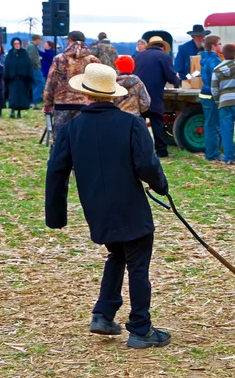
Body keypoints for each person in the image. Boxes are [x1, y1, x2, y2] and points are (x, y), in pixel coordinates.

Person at [45, 63, 171, 349]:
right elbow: (147, 165)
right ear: (113, 96)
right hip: (131, 206)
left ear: (86, 95)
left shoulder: (70, 129)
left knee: (117, 253)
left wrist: (56, 217)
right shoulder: (131, 124)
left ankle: (103, 314)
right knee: (137, 264)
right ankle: (141, 328)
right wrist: (161, 186)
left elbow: (55, 172)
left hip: (97, 208)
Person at [43, 31, 100, 150]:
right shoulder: (93, 60)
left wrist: (47, 104)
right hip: (86, 105)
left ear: (69, 40)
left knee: (60, 140)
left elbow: (50, 82)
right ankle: (79, 166)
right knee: (82, 139)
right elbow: (99, 83)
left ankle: (57, 166)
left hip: (62, 104)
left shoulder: (59, 59)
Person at [134, 36, 180, 158]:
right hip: (154, 94)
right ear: (163, 47)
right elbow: (170, 77)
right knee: (157, 123)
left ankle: (141, 151)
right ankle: (161, 152)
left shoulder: (139, 56)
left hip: (138, 94)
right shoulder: (164, 56)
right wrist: (177, 81)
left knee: (140, 124)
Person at [199, 35, 223, 161]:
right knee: (213, 125)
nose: (221, 46)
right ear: (213, 46)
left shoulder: (204, 58)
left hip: (205, 93)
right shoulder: (214, 60)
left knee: (209, 124)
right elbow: (217, 80)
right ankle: (213, 154)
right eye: (219, 44)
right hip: (212, 95)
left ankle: (211, 152)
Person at [4, 37, 33, 119]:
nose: (17, 45)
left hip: (22, 79)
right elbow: (8, 65)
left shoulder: (24, 54)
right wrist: (9, 75)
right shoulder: (10, 54)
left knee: (21, 96)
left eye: (18, 44)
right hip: (13, 79)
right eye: (15, 44)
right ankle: (12, 110)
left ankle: (19, 112)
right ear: (13, 45)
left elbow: (28, 65)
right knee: (13, 95)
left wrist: (27, 76)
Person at [26, 34, 44, 109]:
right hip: (34, 68)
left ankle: (32, 103)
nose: (39, 42)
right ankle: (33, 101)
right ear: (36, 39)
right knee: (41, 84)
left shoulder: (30, 46)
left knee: (34, 85)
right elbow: (32, 58)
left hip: (32, 68)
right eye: (39, 40)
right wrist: (38, 65)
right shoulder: (32, 47)